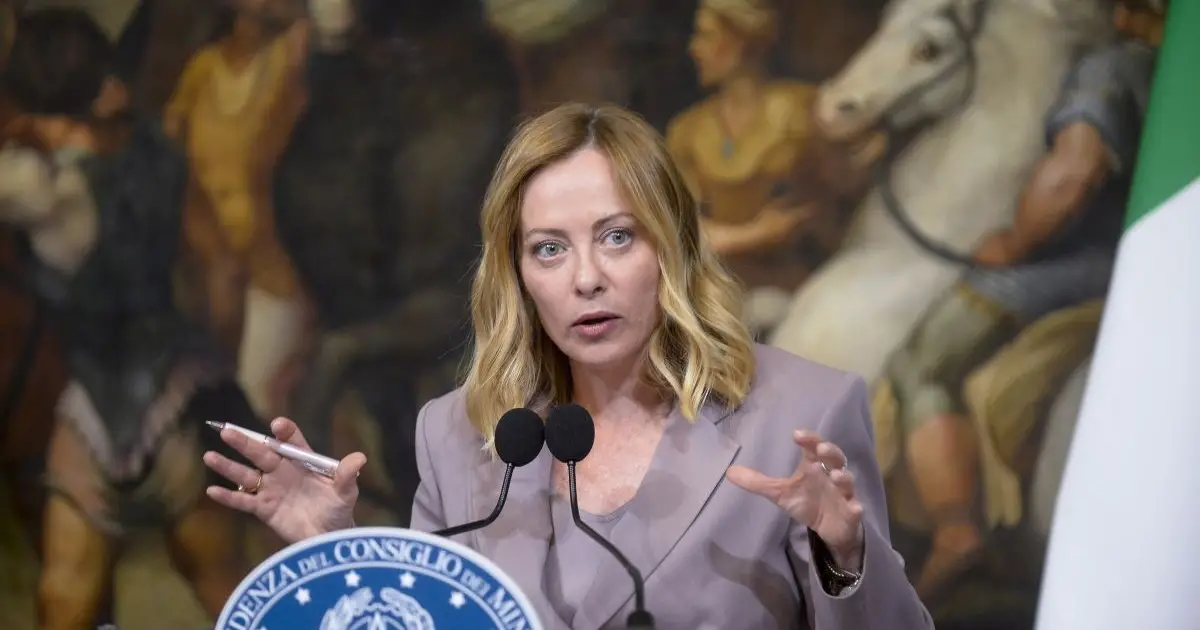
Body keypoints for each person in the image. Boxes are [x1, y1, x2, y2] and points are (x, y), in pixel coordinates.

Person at [203, 102, 933, 629]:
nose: (586, 279)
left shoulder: (802, 412)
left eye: (617, 238)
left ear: (671, 248)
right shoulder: (460, 435)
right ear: (518, 275)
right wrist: (334, 551)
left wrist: (844, 554)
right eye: (549, 249)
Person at [874, 0, 1160, 599]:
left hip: (1076, 265)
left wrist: (1015, 240)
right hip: (1133, 262)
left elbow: (1074, 173)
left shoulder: (1110, 67)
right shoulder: (1164, 71)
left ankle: (957, 532)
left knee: (920, 364)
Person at [0, 9, 266, 627]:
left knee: (64, 598)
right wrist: (218, 371)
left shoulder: (30, 182)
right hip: (176, 397)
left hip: (93, 416)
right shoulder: (158, 157)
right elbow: (224, 274)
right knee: (225, 584)